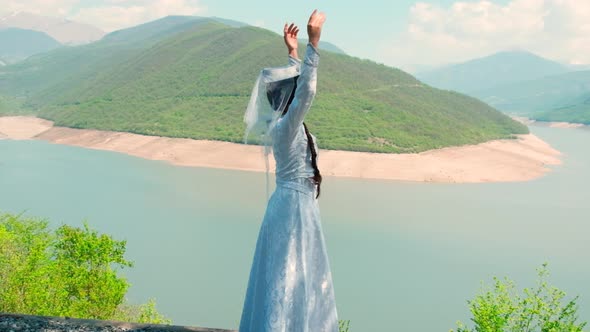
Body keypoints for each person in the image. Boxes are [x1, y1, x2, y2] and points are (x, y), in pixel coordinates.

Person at [239, 9, 338, 332]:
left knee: (291, 273)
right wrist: (314, 44)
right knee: (292, 272)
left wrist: (292, 53)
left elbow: (296, 91)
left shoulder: (284, 126)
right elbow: (305, 92)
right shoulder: (288, 127)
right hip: (294, 209)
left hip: (293, 205)